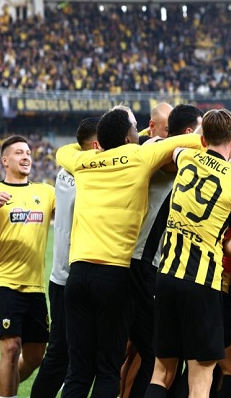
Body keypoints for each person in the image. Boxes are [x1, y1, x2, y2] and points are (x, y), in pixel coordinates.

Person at [56, 106, 202, 398]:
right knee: (108, 369)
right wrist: (150, 137)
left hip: (78, 275)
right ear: (128, 137)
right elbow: (195, 140)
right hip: (114, 275)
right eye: (135, 128)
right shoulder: (140, 156)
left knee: (78, 372)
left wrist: (102, 146)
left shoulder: (83, 161)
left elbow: (63, 151)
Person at [146, 108, 231, 398]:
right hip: (202, 283)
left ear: (202, 139)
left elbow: (174, 147)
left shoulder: (187, 158)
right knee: (201, 377)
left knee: (162, 372)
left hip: (166, 276)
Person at [124, 104, 203, 398]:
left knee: (142, 350)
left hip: (150, 262)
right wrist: (207, 136)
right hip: (143, 261)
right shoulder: (156, 147)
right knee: (156, 353)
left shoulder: (163, 150)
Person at [0, 135, 56, 398]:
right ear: (5, 160)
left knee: (35, 355)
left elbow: (69, 216)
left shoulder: (46, 192)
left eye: (28, 152)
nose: (26, 156)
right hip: (4, 282)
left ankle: (0, 387)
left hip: (35, 285)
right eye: (19, 152)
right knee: (10, 348)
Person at [29, 118, 100, 398]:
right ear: (96, 145)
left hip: (61, 275)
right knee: (65, 353)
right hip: (74, 274)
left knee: (62, 352)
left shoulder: (66, 170)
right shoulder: (87, 175)